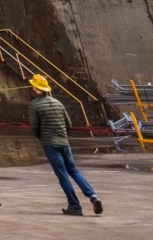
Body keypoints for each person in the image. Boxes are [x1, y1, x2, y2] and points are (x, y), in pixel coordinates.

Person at [28, 74, 102, 216]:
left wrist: (41, 137)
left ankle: (74, 205)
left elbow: (35, 126)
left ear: (35, 88)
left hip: (50, 143)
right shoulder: (58, 103)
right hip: (64, 142)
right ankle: (93, 196)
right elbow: (68, 123)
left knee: (62, 175)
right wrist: (63, 136)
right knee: (74, 170)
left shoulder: (34, 105)